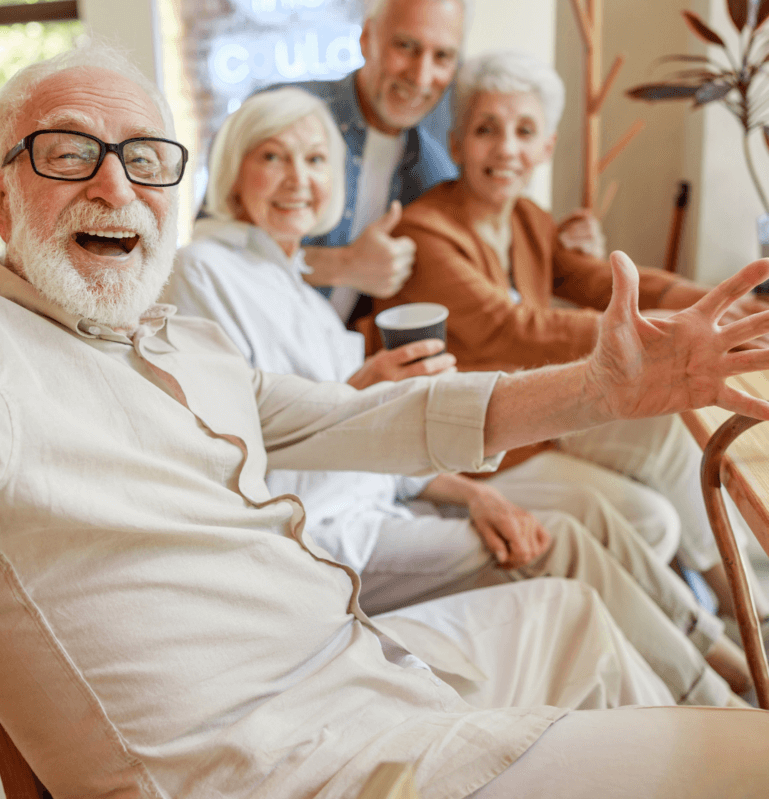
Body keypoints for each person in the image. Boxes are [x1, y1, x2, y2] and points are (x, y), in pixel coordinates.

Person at [0, 41, 769, 798]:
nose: (115, 184)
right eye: (67, 153)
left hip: (362, 675)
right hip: (295, 768)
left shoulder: (176, 342)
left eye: (145, 159)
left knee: (573, 616)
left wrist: (603, 389)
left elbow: (378, 416)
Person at [165, 86, 751, 704]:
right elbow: (243, 446)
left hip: (392, 495)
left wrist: (471, 494)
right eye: (272, 157)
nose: (298, 179)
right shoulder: (204, 271)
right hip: (323, 536)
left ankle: (730, 662)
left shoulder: (300, 293)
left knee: (605, 504)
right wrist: (360, 395)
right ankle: (724, 702)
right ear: (233, 170)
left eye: (315, 161)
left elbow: (378, 450)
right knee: (562, 543)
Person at [376, 49, 769, 619]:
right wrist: (665, 334)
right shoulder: (427, 233)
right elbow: (516, 329)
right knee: (651, 520)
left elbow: (601, 281)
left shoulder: (527, 222)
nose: (506, 148)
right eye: (487, 130)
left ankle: (741, 605)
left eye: (524, 131)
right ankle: (724, 623)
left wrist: (716, 306)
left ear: (546, 147)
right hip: (475, 443)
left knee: (670, 434)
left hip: (540, 416)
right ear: (457, 145)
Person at [281, 0, 598, 323]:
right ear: (367, 38)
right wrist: (339, 265)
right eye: (405, 46)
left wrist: (563, 249)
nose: (421, 75)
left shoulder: (435, 166)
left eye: (443, 56)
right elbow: (212, 250)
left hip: (350, 368)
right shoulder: (288, 116)